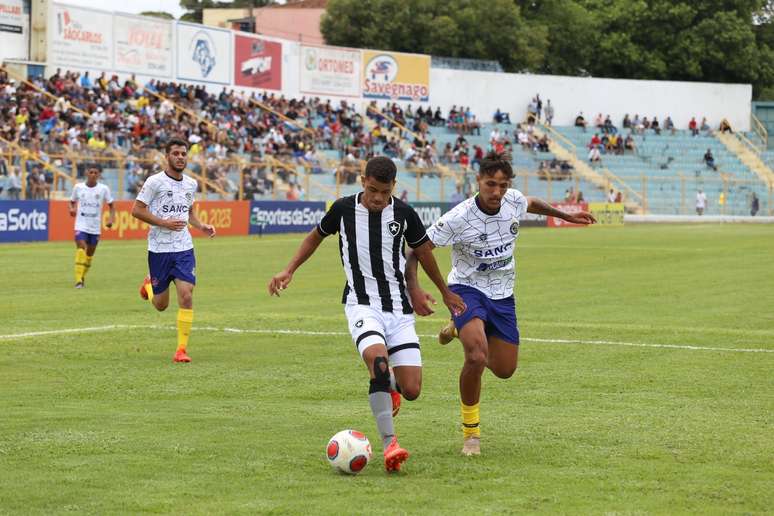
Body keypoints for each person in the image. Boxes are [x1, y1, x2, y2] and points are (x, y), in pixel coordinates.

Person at [268, 156, 466, 473]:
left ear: (393, 188)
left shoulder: (404, 213)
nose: (377, 198)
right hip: (362, 304)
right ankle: (390, 444)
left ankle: (391, 389)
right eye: (373, 189)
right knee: (377, 361)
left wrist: (440, 290)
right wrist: (289, 269)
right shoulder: (343, 209)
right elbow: (314, 237)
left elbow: (423, 252)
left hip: (399, 310)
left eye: (384, 192)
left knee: (412, 390)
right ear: (363, 180)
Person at [405, 152, 596, 456]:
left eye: (502, 186)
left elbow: (531, 202)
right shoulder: (458, 217)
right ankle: (471, 435)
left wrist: (566, 216)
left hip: (503, 294)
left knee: (505, 370)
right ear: (478, 181)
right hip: (465, 289)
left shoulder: (512, 201)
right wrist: (417, 288)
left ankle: (456, 329)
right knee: (477, 356)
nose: (496, 192)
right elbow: (417, 250)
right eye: (490, 184)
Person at [132, 138, 216, 363]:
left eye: (184, 154)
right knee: (161, 305)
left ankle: (181, 349)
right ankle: (149, 287)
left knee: (187, 294)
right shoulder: (154, 182)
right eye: (176, 153)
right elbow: (137, 210)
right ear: (167, 156)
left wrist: (201, 226)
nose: (180, 157)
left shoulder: (191, 184)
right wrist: (162, 222)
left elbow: (189, 213)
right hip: (159, 250)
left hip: (183, 248)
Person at [69, 164, 116, 288]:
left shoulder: (103, 189)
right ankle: (78, 280)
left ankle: (82, 276)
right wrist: (72, 209)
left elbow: (111, 205)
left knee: (89, 255)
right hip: (81, 225)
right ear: (86, 173)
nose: (93, 175)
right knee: (81, 248)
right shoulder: (78, 187)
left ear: (99, 175)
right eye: (91, 172)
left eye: (96, 173)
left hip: (95, 227)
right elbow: (72, 202)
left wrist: (111, 218)